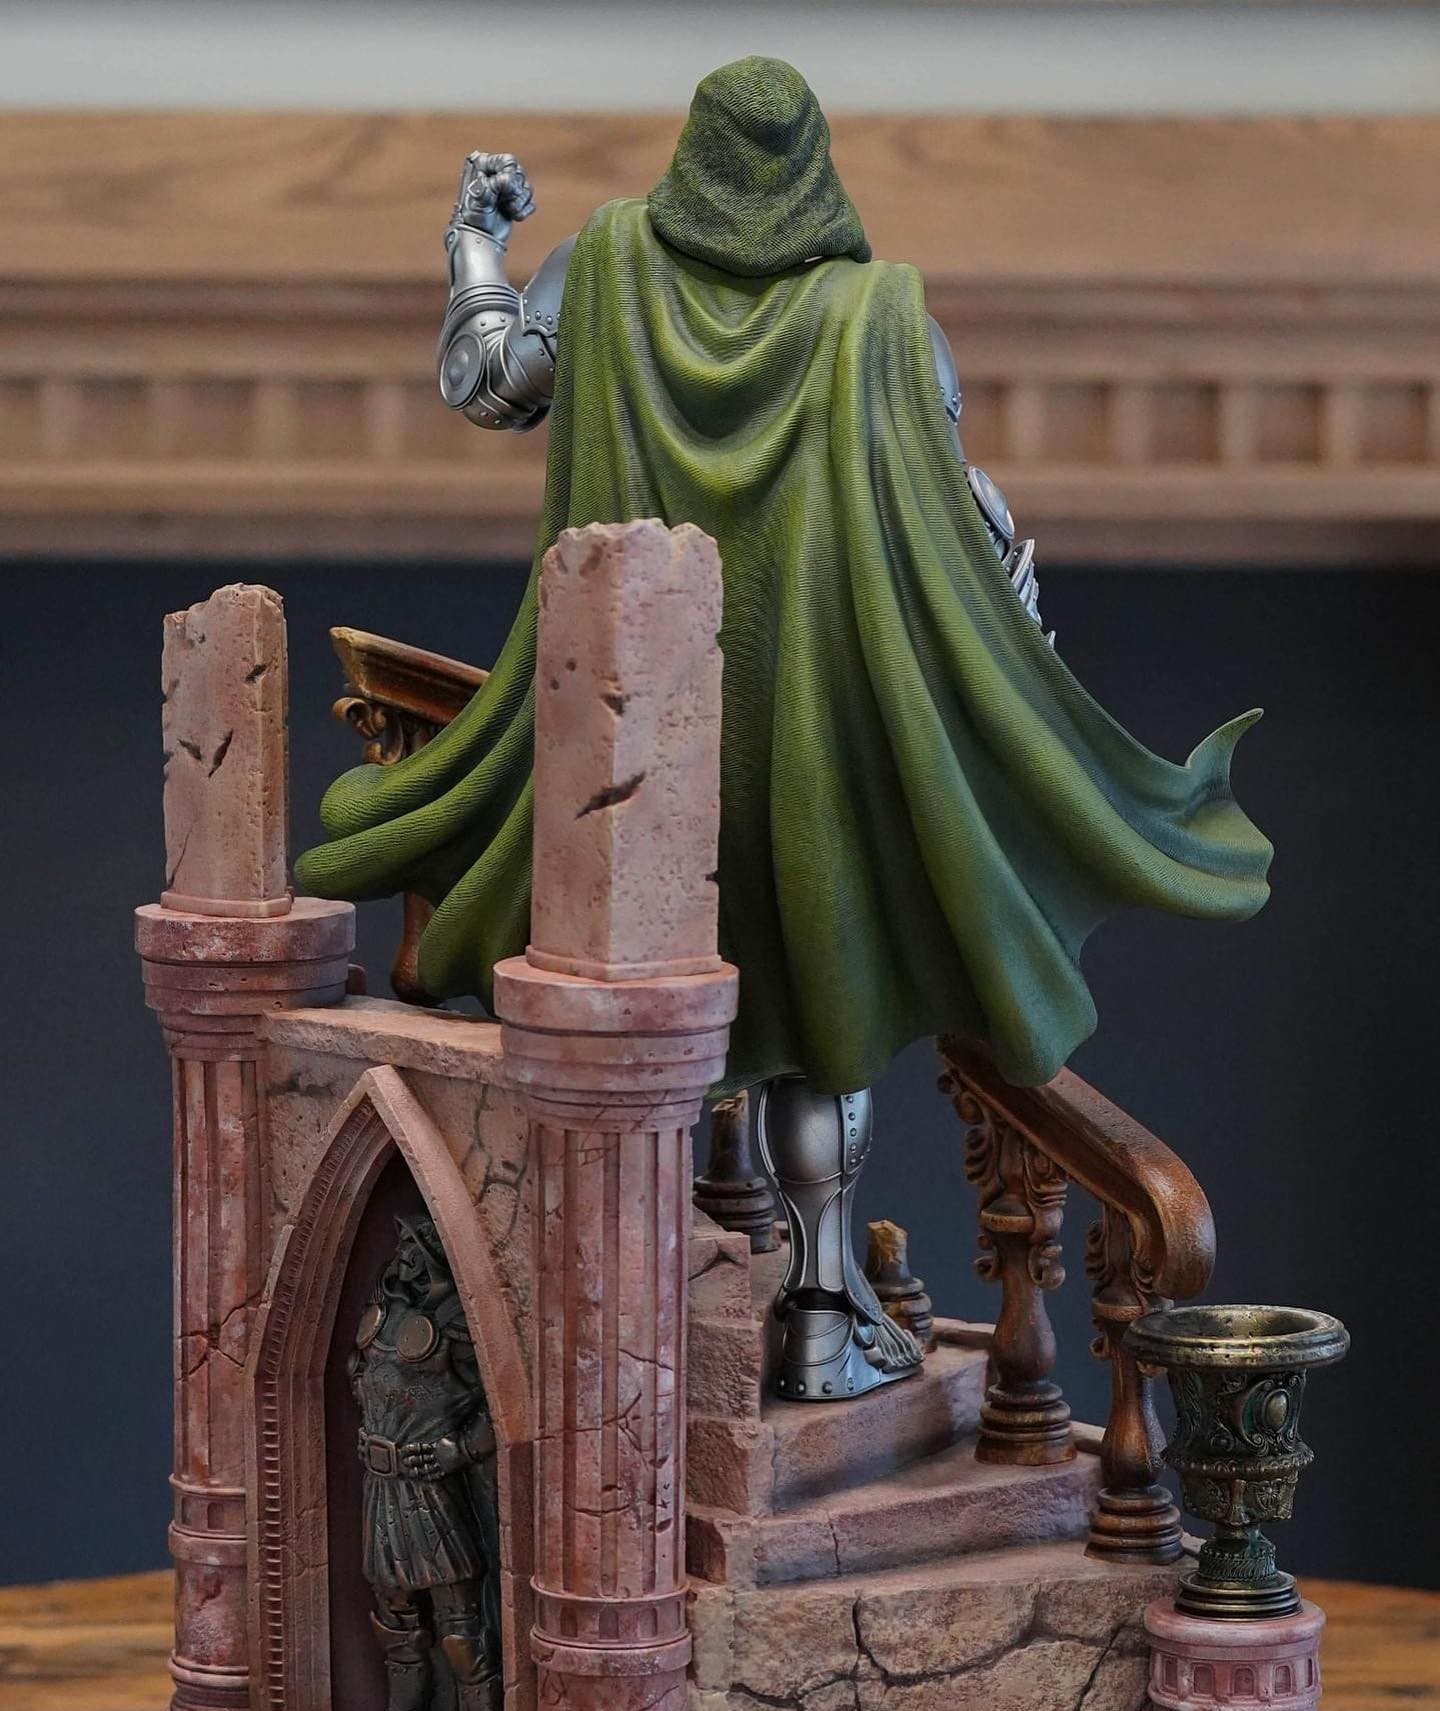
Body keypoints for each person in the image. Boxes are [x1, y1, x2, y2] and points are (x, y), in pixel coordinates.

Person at [297, 58, 1271, 1403]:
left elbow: (486, 381)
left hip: (627, 766)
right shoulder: (886, 322)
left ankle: (621, 1334)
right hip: (812, 761)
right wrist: (1015, 651)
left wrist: (474, 240)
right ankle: (820, 1308)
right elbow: (964, 535)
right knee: (821, 1018)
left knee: (641, 1018)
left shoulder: (604, 267)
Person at [318, 1217, 504, 1711]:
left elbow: (502, 1404)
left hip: (432, 1491)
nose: (404, 1259)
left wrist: (459, 1449)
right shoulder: (383, 1315)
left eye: (415, 1249)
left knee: (459, 1630)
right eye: (401, 1247)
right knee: (396, 1620)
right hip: (383, 1486)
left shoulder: (456, 1322)